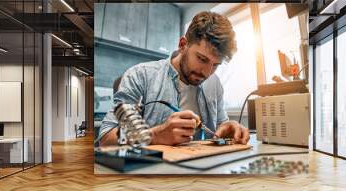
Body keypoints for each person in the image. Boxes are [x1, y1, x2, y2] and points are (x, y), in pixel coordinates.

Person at [99, 11, 249, 146]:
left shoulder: (214, 82)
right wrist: (155, 135)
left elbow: (220, 126)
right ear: (183, 45)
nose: (207, 73)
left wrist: (229, 127)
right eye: (202, 59)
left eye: (215, 65)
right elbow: (106, 138)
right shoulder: (140, 76)